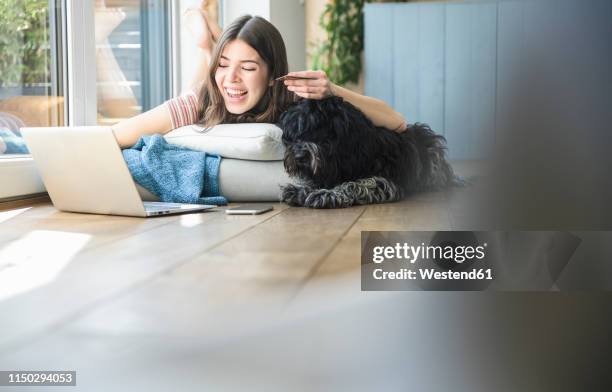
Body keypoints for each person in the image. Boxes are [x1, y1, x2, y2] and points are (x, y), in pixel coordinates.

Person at [112, 9, 407, 149]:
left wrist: (332, 90)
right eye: (223, 64)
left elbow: (397, 121)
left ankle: (209, 46)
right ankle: (206, 46)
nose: (232, 79)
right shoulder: (200, 99)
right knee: (203, 83)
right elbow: (117, 136)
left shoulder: (290, 94)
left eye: (249, 68)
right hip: (203, 94)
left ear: (271, 75)